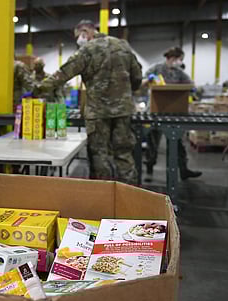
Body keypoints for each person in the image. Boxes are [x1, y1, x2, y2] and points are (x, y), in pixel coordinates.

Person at [34, 20, 142, 185]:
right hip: (123, 111)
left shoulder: (87, 50)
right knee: (124, 153)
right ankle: (130, 196)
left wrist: (37, 90)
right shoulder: (123, 46)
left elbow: (62, 75)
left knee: (100, 154)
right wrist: (125, 93)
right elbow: (137, 77)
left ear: (85, 32)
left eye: (79, 36)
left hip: (97, 112)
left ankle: (103, 196)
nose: (79, 40)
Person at [143, 47, 202, 180]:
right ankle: (149, 169)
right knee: (153, 141)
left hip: (174, 112)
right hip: (155, 111)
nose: (179, 62)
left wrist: (192, 89)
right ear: (171, 58)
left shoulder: (179, 72)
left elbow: (191, 84)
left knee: (177, 142)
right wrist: (149, 80)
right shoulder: (156, 68)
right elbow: (142, 82)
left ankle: (183, 170)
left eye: (181, 60)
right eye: (179, 59)